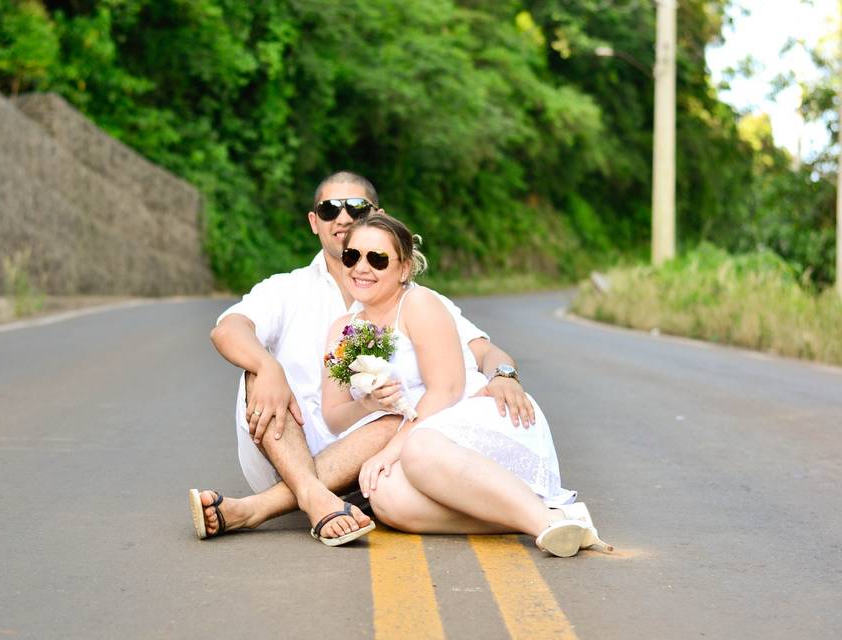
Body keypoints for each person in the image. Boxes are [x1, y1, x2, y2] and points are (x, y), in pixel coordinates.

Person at [190, 172, 537, 545]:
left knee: (401, 413)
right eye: (328, 209)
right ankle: (310, 494)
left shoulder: (414, 298)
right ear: (314, 222)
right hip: (284, 449)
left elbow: (483, 351)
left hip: (374, 460)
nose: (342, 218)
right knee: (255, 373)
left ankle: (259, 508)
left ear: (377, 215)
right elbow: (227, 330)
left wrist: (503, 375)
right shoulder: (287, 289)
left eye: (355, 207)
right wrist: (267, 365)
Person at [320, 212, 612, 556]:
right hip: (427, 437)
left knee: (417, 449)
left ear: (404, 268)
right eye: (352, 256)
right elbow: (334, 416)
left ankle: (542, 524)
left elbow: (446, 390)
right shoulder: (343, 329)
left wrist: (387, 451)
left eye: (377, 259)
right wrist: (368, 405)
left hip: (474, 416)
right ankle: (560, 517)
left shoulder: (418, 304)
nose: (361, 267)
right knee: (386, 497)